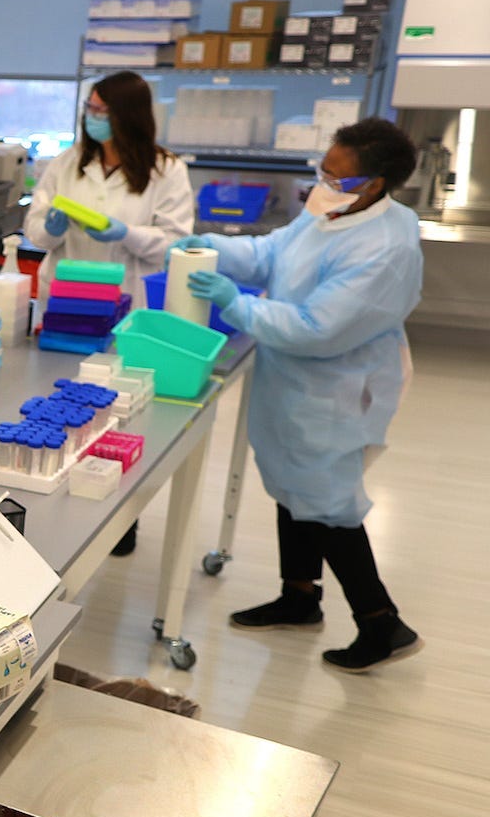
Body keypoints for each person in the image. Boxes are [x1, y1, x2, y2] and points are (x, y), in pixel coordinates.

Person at [175, 118, 423, 672]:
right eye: (322, 170)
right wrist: (212, 248)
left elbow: (317, 327)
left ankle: (382, 624)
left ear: (375, 184)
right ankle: (300, 596)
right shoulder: (335, 210)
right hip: (293, 375)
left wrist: (235, 304)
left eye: (335, 176)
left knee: (329, 502)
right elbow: (271, 255)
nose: (322, 183)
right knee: (293, 484)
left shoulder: (386, 246)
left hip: (335, 384)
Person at [24, 71, 194, 306]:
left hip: (127, 298)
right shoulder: (67, 162)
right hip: (65, 296)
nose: (91, 116)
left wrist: (127, 234)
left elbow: (175, 245)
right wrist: (50, 231)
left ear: (128, 116)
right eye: (90, 107)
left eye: (101, 111)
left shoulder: (167, 170)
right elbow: (35, 232)